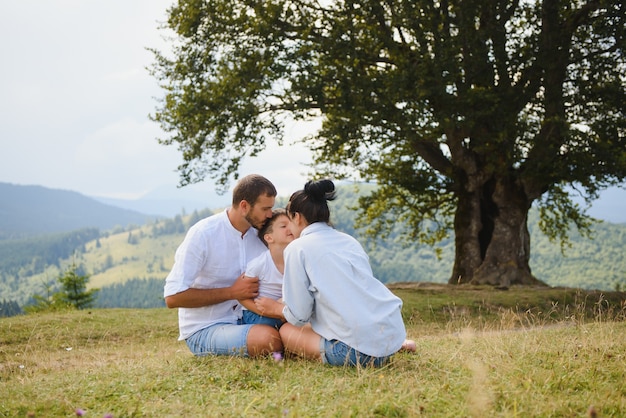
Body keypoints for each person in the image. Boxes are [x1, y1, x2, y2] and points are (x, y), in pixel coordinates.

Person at [255, 179, 415, 367]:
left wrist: (275, 308)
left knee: (287, 332)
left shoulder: (298, 248)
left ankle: (360, 352)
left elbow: (299, 316)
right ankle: (391, 347)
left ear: (297, 217)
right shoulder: (349, 241)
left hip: (354, 353)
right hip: (388, 339)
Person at [163, 174, 283, 357]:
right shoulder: (203, 234)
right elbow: (172, 297)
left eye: (271, 208)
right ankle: (280, 352)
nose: (269, 215)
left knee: (295, 326)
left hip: (249, 319)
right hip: (206, 328)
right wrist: (232, 292)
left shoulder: (262, 235)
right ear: (244, 206)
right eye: (265, 208)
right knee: (269, 339)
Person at [238, 208, 294, 330]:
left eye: (291, 224)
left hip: (283, 309)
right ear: (269, 238)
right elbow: (242, 297)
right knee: (272, 325)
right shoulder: (259, 264)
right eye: (284, 226)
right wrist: (270, 311)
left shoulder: (297, 261)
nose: (290, 228)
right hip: (257, 313)